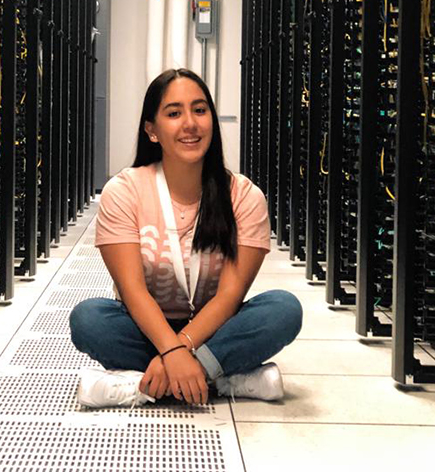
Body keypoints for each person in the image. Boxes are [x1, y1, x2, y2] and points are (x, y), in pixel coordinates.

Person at [70, 68, 302, 408]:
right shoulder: (125, 191)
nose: (190, 123)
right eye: (174, 113)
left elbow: (230, 295)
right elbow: (133, 292)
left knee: (284, 309)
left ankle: (147, 383)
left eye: (199, 109)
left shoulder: (244, 196)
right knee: (89, 319)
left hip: (216, 327)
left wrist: (186, 346)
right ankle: (223, 377)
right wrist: (173, 348)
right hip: (145, 326)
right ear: (152, 130)